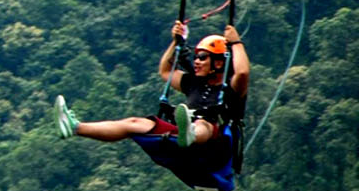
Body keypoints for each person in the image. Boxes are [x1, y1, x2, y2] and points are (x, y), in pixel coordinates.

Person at [54, 20, 249, 157]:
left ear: (217, 63)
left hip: (214, 147)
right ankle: (75, 127)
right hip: (182, 136)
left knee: (204, 125)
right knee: (134, 123)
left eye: (202, 57)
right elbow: (165, 71)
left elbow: (242, 73)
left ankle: (191, 132)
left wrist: (236, 43)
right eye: (196, 57)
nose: (196, 61)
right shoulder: (193, 83)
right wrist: (176, 42)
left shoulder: (231, 88)